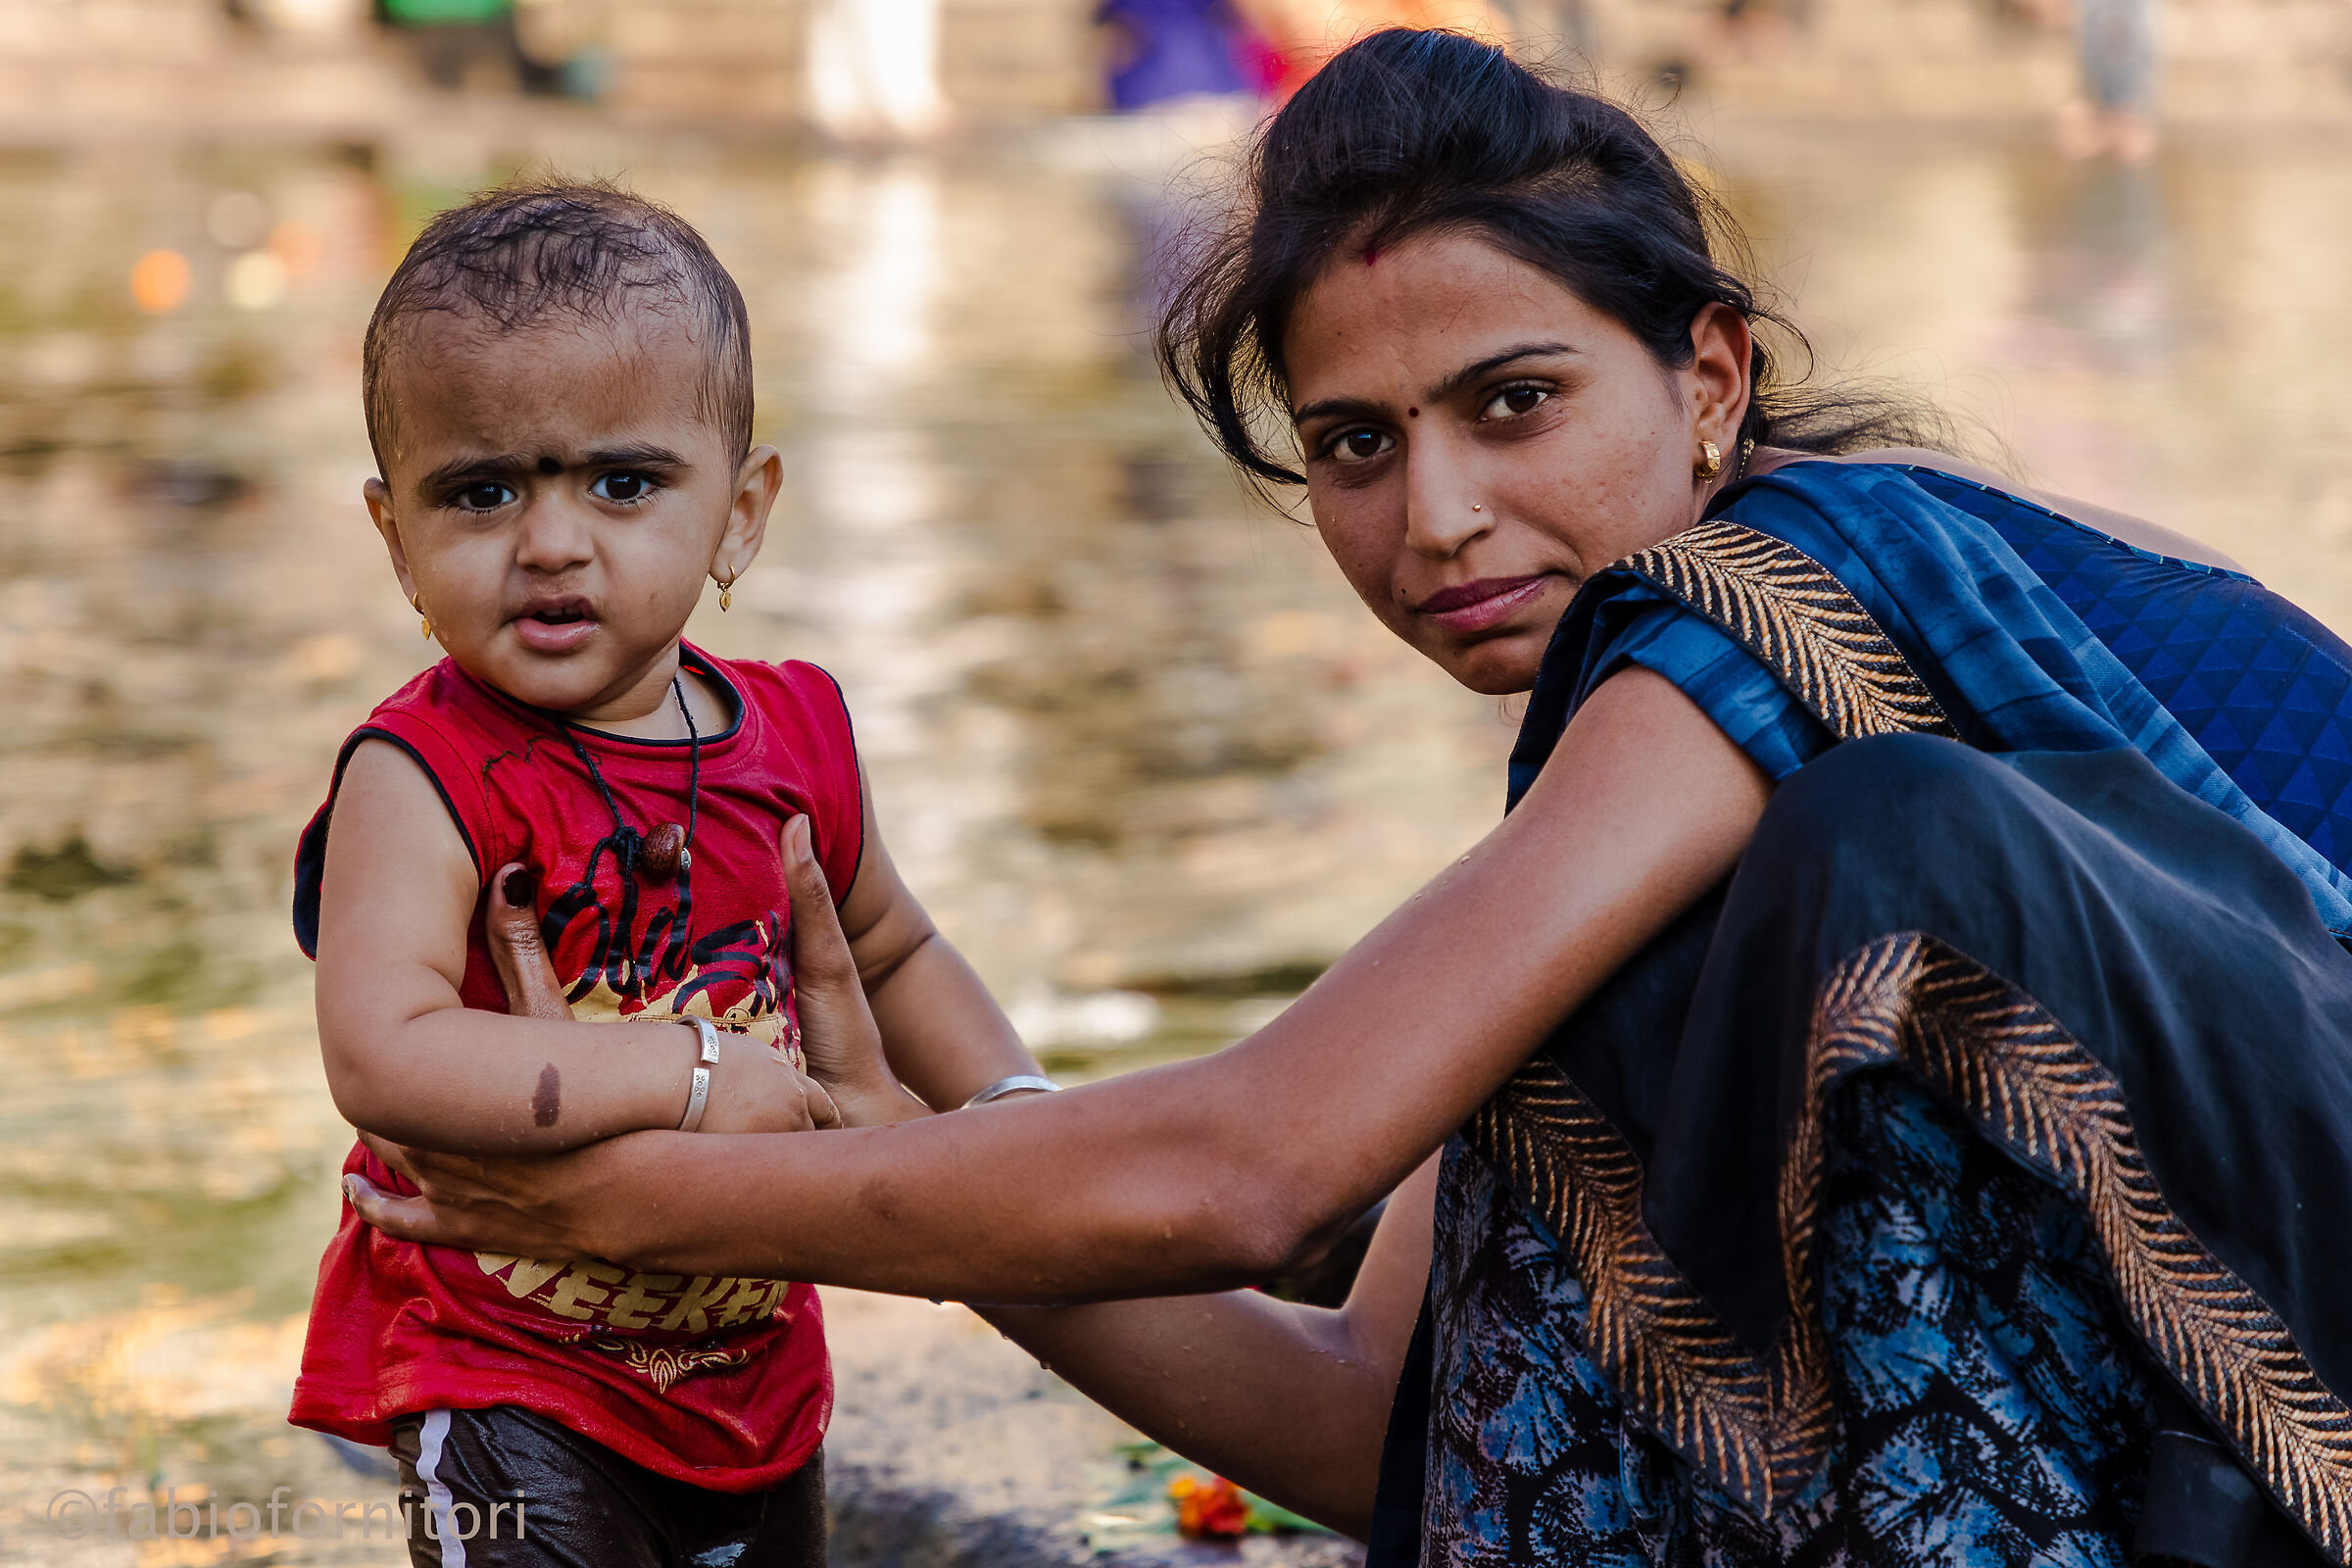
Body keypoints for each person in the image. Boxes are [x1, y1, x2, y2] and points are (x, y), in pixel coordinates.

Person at [344, 35, 2352, 1566]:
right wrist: (901, 1153)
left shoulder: (1771, 605)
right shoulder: (1635, 777)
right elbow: (1374, 1416)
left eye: (1517, 400)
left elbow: (1254, 1166)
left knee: (1893, 847)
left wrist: (647, 1182)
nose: (1439, 515)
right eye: (1354, 443)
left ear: (1713, 380)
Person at [292, 179, 1047, 1567]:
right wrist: (695, 1072)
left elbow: (893, 952)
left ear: (742, 515)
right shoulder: (423, 774)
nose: (553, 541)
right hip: (510, 1371)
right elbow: (383, 1052)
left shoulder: (799, 733)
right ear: (397, 537)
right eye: (481, 491)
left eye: (623, 482)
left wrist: (1010, 1123)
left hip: (753, 1369)